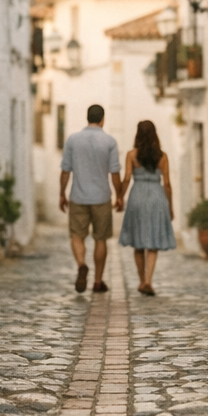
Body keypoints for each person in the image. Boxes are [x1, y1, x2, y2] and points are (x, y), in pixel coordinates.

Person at [60, 104, 123, 293]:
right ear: (103, 119)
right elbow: (114, 173)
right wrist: (119, 195)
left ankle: (81, 264)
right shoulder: (110, 141)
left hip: (78, 196)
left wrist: (62, 193)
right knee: (100, 239)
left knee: (77, 235)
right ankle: (97, 281)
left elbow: (65, 170)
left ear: (87, 118)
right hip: (102, 197)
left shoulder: (73, 140)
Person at [118, 120, 176, 295]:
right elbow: (167, 184)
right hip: (157, 197)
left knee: (138, 242)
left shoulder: (131, 155)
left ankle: (141, 281)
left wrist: (120, 196)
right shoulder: (163, 156)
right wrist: (170, 206)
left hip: (137, 196)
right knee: (152, 242)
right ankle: (149, 280)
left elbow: (127, 178)